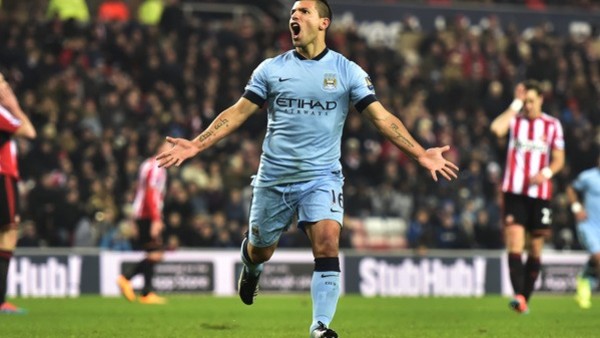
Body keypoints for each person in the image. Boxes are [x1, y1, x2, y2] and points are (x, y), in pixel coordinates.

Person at [156, 1, 458, 336]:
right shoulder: (271, 69)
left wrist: (419, 154)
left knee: (328, 241)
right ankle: (251, 266)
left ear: (323, 22)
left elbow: (381, 118)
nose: (294, 17)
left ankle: (320, 326)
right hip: (274, 178)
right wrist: (197, 143)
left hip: (321, 177)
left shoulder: (347, 72)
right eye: (292, 13)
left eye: (303, 12)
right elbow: (238, 112)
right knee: (261, 250)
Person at [490, 80, 565, 314]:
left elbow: (559, 159)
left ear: (541, 99)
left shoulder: (553, 125)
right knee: (514, 241)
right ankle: (520, 298)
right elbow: (496, 129)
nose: (529, 105)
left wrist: (546, 173)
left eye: (532, 101)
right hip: (514, 191)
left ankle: (525, 298)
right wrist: (516, 103)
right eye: (526, 101)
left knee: (535, 247)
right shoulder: (516, 120)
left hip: (540, 194)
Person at [0, 73, 37, 314]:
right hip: (3, 175)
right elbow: (29, 131)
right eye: (1, 83)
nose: (6, 86)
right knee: (7, 235)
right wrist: (13, 105)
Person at [117, 142, 170, 305]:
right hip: (147, 214)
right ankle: (127, 279)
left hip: (142, 214)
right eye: (171, 149)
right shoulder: (157, 167)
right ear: (161, 149)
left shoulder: (148, 165)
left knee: (154, 253)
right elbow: (150, 194)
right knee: (155, 253)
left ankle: (146, 292)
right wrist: (156, 219)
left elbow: (139, 191)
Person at [566, 153, 600, 309]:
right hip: (589, 225)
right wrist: (576, 207)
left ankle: (585, 279)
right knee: (598, 256)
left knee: (596, 259)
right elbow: (571, 189)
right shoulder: (588, 176)